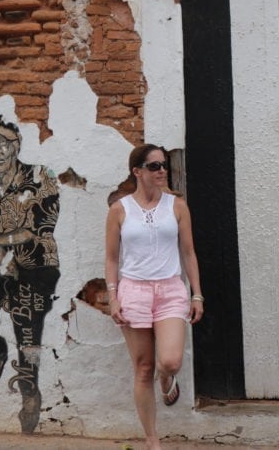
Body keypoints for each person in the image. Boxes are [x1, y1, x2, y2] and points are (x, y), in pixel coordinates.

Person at [0, 115, 61, 434]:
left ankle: (30, 393)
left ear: (17, 145)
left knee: (26, 327)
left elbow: (37, 230)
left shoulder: (41, 176)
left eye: (4, 144)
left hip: (36, 265)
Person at [105, 144, 204, 450]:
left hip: (170, 289)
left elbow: (188, 252)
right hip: (133, 291)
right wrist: (113, 296)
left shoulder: (176, 206)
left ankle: (168, 380)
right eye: (154, 166)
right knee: (143, 367)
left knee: (170, 361)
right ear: (137, 172)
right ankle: (151, 440)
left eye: (164, 165)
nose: (162, 170)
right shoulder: (120, 210)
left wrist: (196, 294)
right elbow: (111, 258)